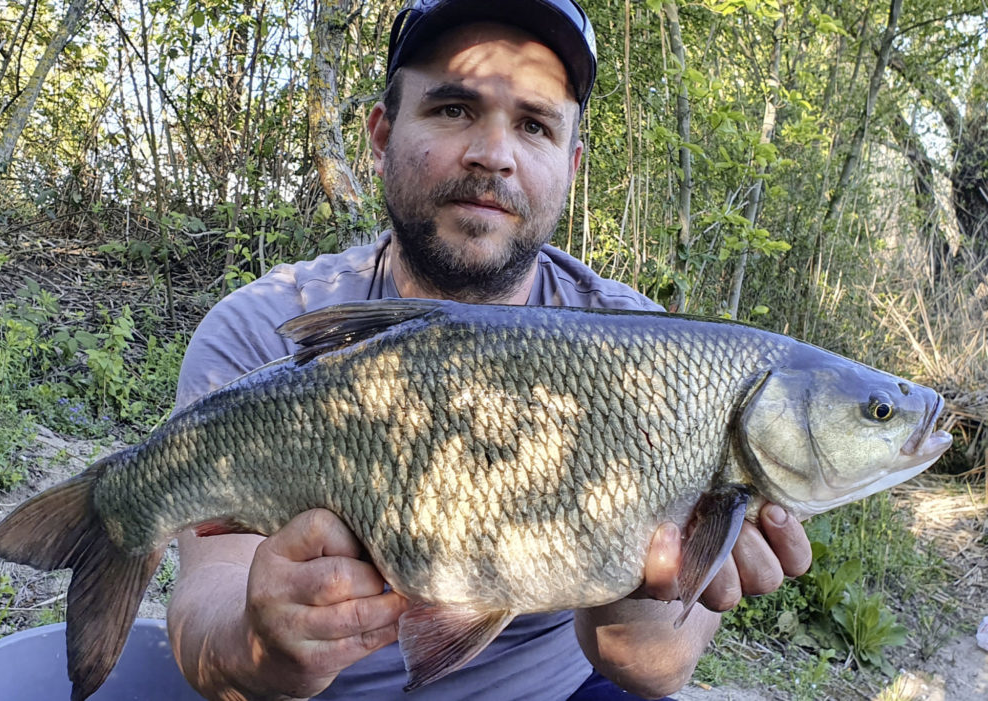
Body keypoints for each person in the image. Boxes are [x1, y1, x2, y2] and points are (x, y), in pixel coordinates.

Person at [165, 1, 813, 699]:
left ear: (569, 165)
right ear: (382, 135)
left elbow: (654, 665)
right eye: (452, 109)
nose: (493, 154)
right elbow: (206, 605)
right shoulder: (266, 331)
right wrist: (254, 647)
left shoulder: (658, 357)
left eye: (533, 125)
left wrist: (653, 569)